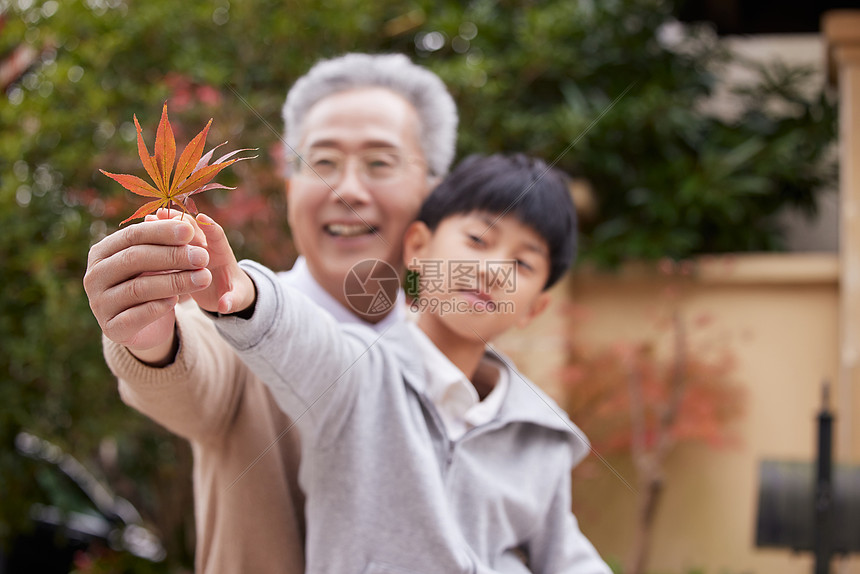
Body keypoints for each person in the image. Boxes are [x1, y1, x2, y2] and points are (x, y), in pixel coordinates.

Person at [82, 53, 457, 573]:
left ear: (432, 190)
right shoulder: (235, 314)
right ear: (289, 183)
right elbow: (195, 373)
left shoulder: (453, 352)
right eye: (322, 162)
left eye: (379, 163)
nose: (346, 190)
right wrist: (150, 340)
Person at [190, 153, 612, 573]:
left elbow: (565, 555)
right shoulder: (358, 374)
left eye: (522, 262)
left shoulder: (539, 434)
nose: (492, 271)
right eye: (478, 241)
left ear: (534, 308)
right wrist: (245, 295)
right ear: (418, 248)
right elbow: (301, 338)